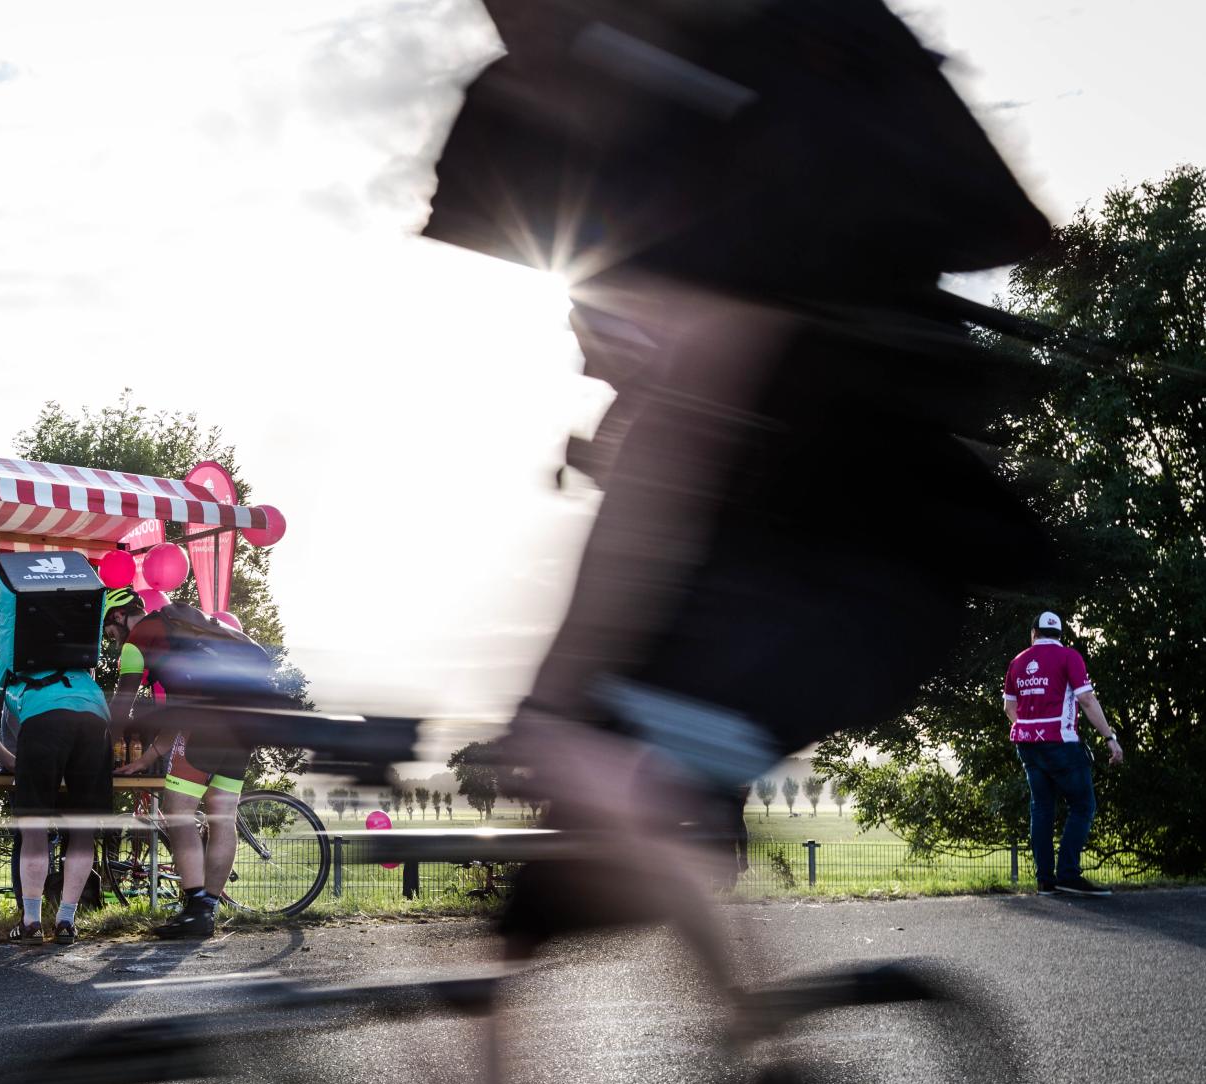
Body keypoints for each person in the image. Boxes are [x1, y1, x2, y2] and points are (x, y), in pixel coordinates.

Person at [419, 0, 1059, 1005]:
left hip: (854, 578)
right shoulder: (648, 162)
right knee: (534, 904)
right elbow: (659, 463)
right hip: (756, 567)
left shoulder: (751, 170)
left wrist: (550, 699)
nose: (586, 348)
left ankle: (767, 1062)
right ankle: (715, 1047)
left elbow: (672, 455)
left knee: (629, 785)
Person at [104, 589, 268, 939]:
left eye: (109, 630)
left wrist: (102, 748)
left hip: (206, 724)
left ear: (117, 616)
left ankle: (195, 909)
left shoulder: (137, 642)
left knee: (178, 812)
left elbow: (121, 706)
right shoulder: (182, 627)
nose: (111, 639)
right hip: (245, 721)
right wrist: (147, 758)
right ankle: (206, 911)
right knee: (222, 816)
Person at [0, 599, 112, 947]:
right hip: (97, 721)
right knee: (83, 830)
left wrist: (13, 762)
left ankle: (31, 922)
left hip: (43, 722)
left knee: (33, 829)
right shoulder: (74, 656)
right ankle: (66, 921)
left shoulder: (1, 661)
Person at [1004, 610, 1122, 897]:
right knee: (1083, 805)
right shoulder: (1069, 657)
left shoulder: (1017, 662)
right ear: (1059, 634)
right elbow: (1086, 699)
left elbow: (1009, 708)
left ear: (1034, 634)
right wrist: (1110, 737)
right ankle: (1068, 874)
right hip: (1061, 742)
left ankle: (1045, 881)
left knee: (1042, 808)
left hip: (1028, 746)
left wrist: (1031, 730)